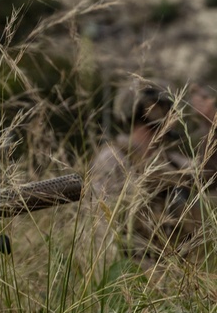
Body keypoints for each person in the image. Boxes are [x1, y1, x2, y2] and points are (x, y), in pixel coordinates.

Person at [90, 79, 217, 266]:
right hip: (131, 271)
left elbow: (209, 176)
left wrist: (211, 127)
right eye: (168, 108)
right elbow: (98, 227)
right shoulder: (113, 159)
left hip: (172, 270)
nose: (174, 116)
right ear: (150, 110)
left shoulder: (171, 161)